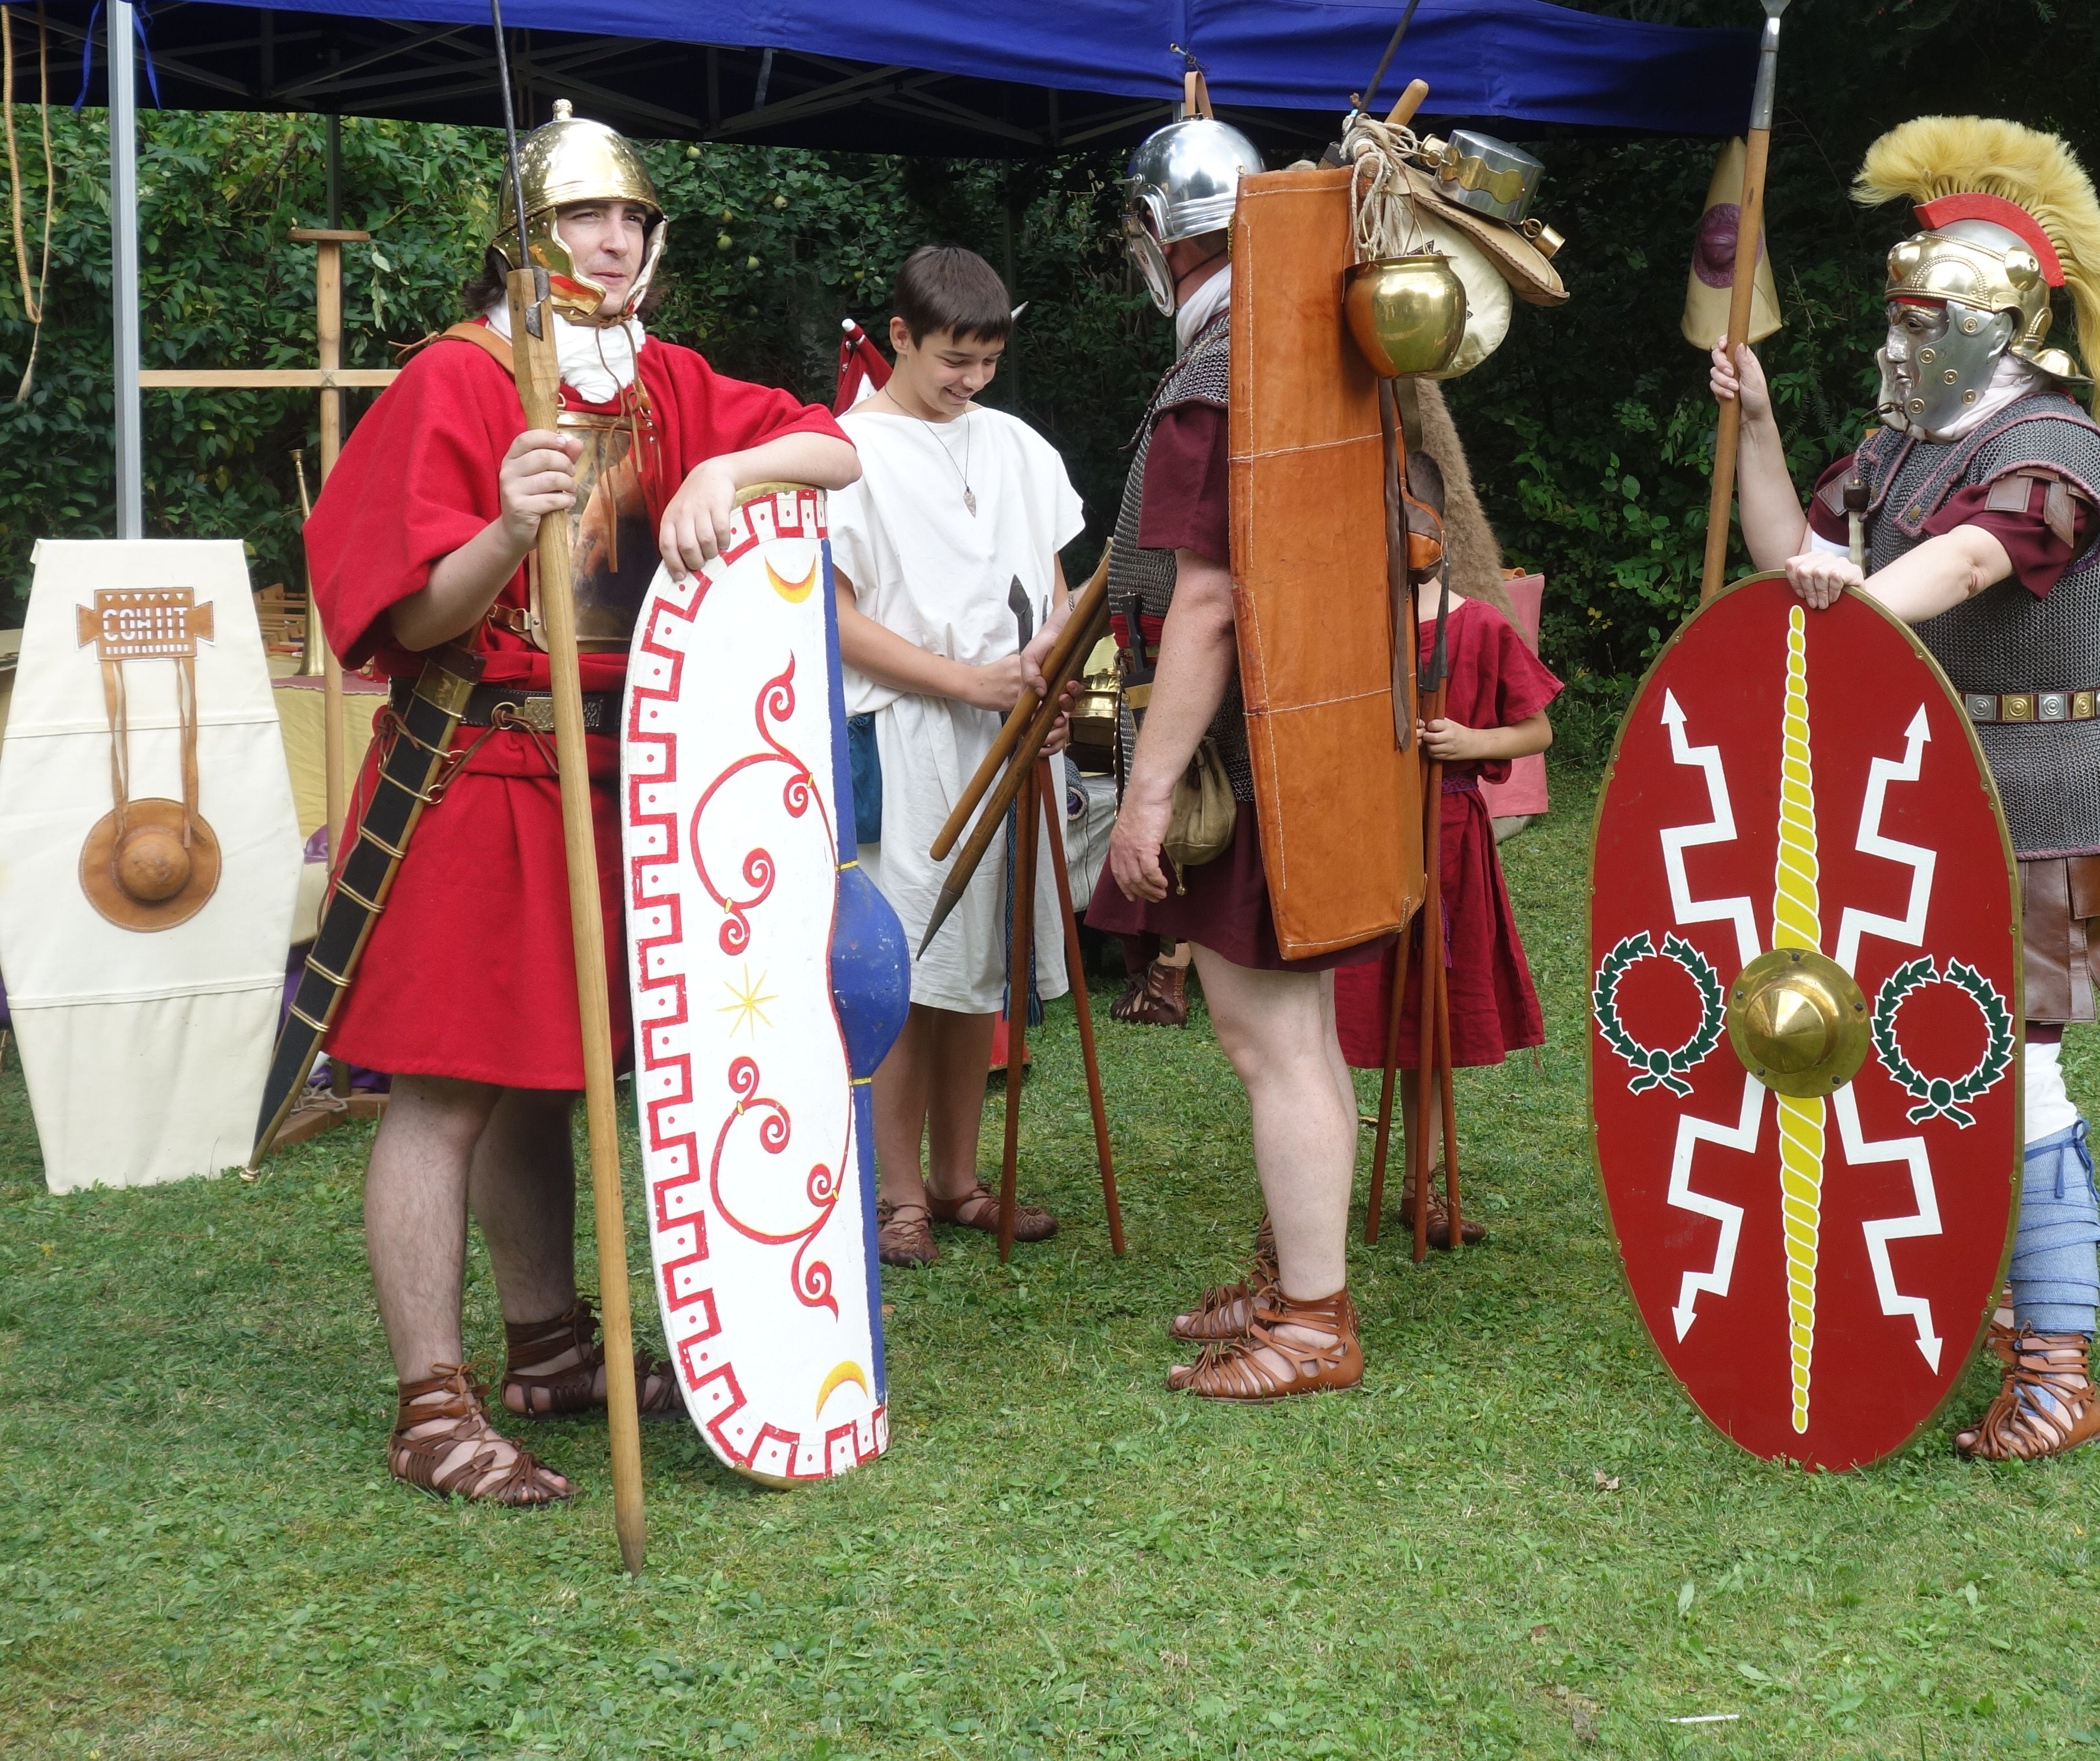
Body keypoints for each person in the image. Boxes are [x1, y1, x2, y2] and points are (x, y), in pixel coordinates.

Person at [309, 103, 858, 1507]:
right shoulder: (457, 379)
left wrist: (732, 467)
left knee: (553, 1071)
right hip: (480, 762)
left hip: (631, 774)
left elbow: (834, 448)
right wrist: (506, 521)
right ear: (521, 235)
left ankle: (552, 1347)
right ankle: (433, 1404)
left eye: (631, 219)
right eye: (579, 219)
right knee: (447, 1088)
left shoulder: (665, 382)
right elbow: (398, 611)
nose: (611, 243)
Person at [1708, 113, 2100, 1463]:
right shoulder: (1905, 448)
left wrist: (1849, 612)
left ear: (1988, 324)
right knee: (1921, 1053)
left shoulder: (2054, 450)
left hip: (2031, 791)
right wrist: (1764, 430)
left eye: (1915, 324)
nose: (1891, 347)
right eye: (1889, 322)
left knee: (2015, 1073)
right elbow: (1792, 549)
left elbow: (1958, 569)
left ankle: (2054, 1363)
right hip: (1915, 785)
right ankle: (2001, 1306)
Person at [1084, 103, 1386, 1401]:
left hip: (1246, 751)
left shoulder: (1222, 372)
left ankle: (1313, 1320)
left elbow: (1208, 599)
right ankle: (1293, 1274)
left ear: (1162, 241)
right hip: (1304, 736)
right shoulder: (1296, 349)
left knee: (1271, 1041)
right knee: (1298, 1033)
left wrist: (1148, 792)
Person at [823, 246, 1082, 1268]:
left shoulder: (1017, 445)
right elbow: (836, 622)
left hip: (1013, 733)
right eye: (950, 358)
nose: (969, 378)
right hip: (910, 736)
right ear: (899, 337)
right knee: (905, 970)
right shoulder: (845, 451)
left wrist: (1045, 685)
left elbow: (1055, 591)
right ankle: (897, 1199)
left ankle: (956, 1180)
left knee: (979, 967)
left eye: (985, 358)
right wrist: (967, 681)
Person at [1333, 575, 1561, 1244]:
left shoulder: (1480, 627)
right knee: (1332, 1020)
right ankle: (1308, 1188)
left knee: (1428, 1020)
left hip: (1447, 835)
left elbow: (1535, 729)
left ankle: (1418, 1187)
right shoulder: (1346, 615)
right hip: (1357, 834)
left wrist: (1472, 742)